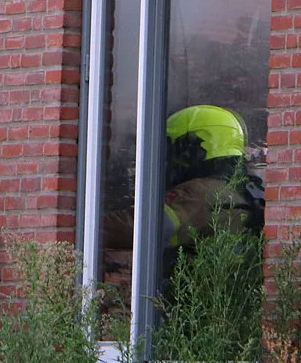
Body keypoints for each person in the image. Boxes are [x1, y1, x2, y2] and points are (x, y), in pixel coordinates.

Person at [102, 104, 265, 255]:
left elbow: (145, 228)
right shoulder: (242, 192)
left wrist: (85, 225)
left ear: (192, 150)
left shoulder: (199, 193)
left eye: (172, 150)